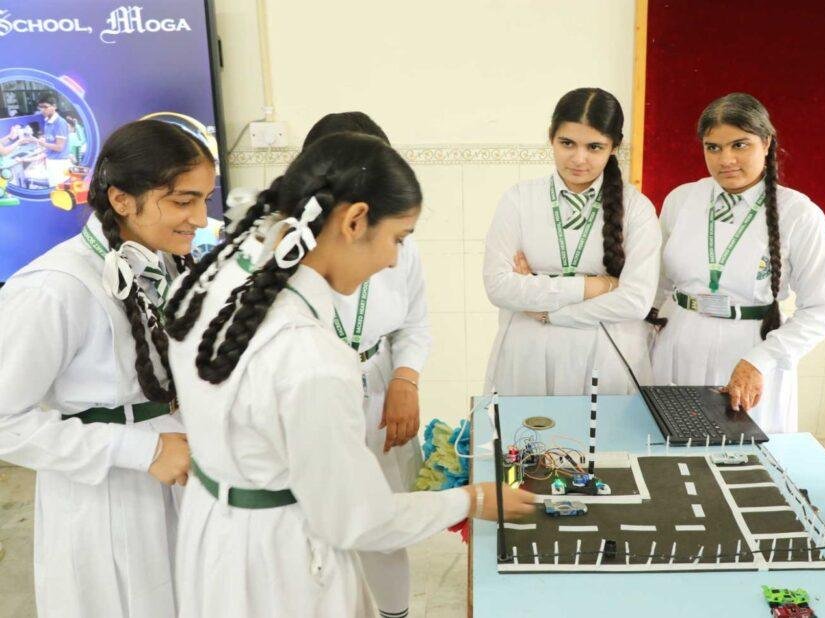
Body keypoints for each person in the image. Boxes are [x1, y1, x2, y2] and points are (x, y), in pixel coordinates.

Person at [164, 132, 535, 617]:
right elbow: (359, 519)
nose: (393, 260)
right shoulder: (312, 359)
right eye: (397, 239)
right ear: (355, 220)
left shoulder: (211, 281)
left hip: (212, 533)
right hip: (280, 564)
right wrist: (471, 499)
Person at [0, 119, 212, 617]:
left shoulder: (163, 264)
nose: (201, 219)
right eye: (183, 201)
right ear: (122, 200)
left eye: (205, 199)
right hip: (105, 500)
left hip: (178, 480)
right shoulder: (54, 288)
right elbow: (5, 422)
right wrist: (142, 449)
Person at [225, 111, 431, 618]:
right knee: (319, 521)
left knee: (381, 522)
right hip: (311, 393)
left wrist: (405, 379)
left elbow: (415, 323)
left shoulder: (397, 244)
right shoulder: (273, 257)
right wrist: (471, 500)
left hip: (378, 386)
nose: (392, 256)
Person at [651, 93, 825, 433]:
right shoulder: (681, 200)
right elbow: (658, 285)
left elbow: (820, 310)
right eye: (713, 147)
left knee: (742, 455)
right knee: (669, 446)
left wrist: (760, 361)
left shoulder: (799, 214)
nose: (726, 160)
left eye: (740, 145)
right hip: (677, 341)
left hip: (751, 351)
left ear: (766, 142)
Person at [483, 87, 661, 395]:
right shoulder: (519, 200)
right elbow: (498, 287)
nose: (579, 159)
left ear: (614, 147)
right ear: (551, 137)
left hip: (607, 355)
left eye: (594, 147)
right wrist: (594, 286)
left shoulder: (636, 208)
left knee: (604, 428)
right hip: (527, 352)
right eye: (567, 143)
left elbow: (636, 301)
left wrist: (548, 312)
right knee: (528, 428)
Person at [34, 94, 72, 186]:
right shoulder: (47, 120)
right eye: (40, 107)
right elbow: (51, 139)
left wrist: (43, 144)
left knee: (59, 190)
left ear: (54, 106)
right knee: (53, 188)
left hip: (59, 163)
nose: (42, 110)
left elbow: (59, 147)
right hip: (51, 161)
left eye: (45, 107)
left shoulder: (60, 123)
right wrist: (43, 139)